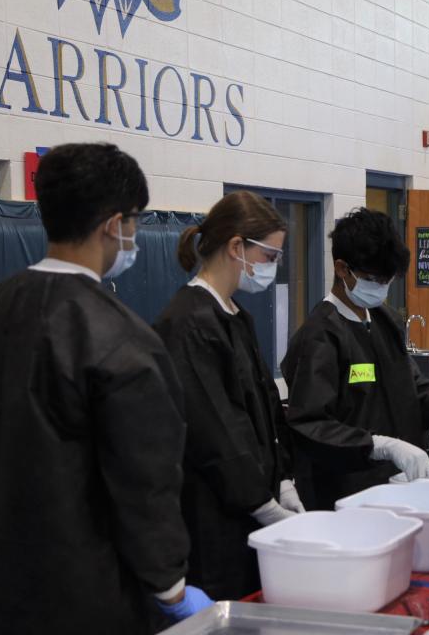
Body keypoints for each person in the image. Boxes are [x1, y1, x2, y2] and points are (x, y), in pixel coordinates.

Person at [0, 143, 211, 635]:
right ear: (115, 224)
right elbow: (143, 483)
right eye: (133, 221)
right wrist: (170, 587)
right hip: (84, 600)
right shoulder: (122, 341)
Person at [280, 208, 429, 510]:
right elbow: (310, 426)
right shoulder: (320, 337)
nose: (382, 287)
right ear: (342, 269)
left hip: (400, 485)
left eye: (388, 279)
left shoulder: (384, 321)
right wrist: (378, 446)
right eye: (373, 279)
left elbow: (411, 386)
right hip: (347, 495)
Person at [153, 191, 302, 601]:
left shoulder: (236, 317)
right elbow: (215, 431)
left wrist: (284, 479)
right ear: (237, 247)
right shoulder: (188, 323)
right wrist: (262, 504)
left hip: (252, 517)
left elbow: (265, 409)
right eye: (270, 257)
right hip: (215, 525)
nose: (272, 268)